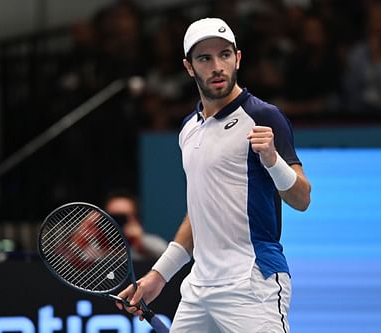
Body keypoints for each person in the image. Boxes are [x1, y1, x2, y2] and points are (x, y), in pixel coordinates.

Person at [116, 18, 311, 332]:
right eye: (204, 58)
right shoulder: (188, 130)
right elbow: (197, 214)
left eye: (224, 55)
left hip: (252, 282)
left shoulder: (263, 116)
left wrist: (273, 161)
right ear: (189, 67)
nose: (217, 66)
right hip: (198, 289)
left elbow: (302, 198)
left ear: (238, 58)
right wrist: (158, 276)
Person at [104, 190, 168, 261]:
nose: (117, 222)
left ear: (136, 218)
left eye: (123, 217)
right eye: (113, 217)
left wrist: (140, 244)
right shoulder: (94, 247)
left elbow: (168, 258)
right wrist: (89, 235)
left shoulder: (151, 243)